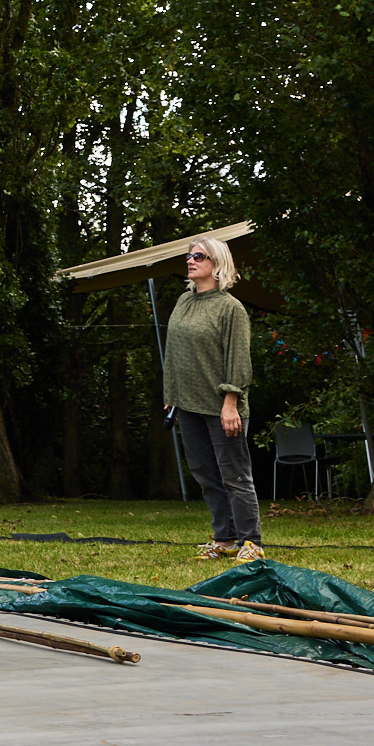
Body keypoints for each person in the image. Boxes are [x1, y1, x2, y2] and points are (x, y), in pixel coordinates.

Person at [166, 236, 263, 562]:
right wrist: (171, 394)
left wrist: (231, 402)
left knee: (234, 475)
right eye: (189, 256)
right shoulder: (184, 301)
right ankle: (225, 540)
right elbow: (174, 351)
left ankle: (252, 543)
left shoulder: (230, 308)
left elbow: (238, 359)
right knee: (206, 475)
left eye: (199, 256)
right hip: (188, 404)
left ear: (217, 264)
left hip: (223, 407)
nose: (191, 261)